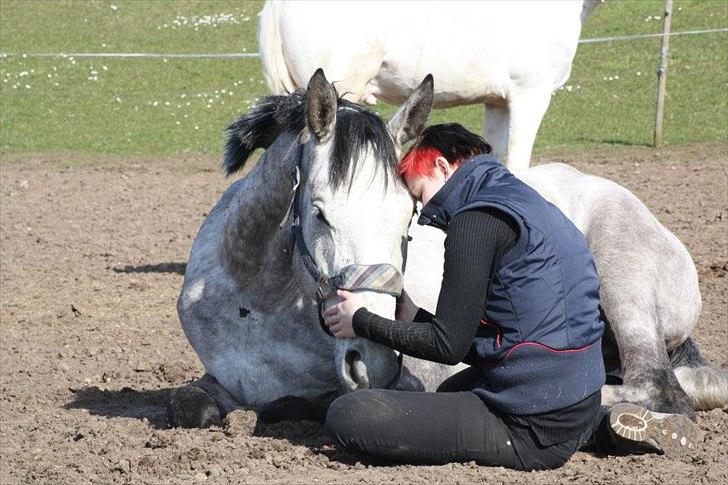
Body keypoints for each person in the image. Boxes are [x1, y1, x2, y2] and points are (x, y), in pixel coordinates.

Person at [322, 124, 694, 470]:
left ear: (441, 165)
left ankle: (551, 441)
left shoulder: (473, 221)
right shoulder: (525, 201)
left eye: (420, 194)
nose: (424, 213)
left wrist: (361, 321)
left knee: (349, 413)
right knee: (452, 389)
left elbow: (447, 347)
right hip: (577, 398)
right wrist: (414, 315)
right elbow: (497, 338)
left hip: (530, 423)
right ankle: (600, 427)